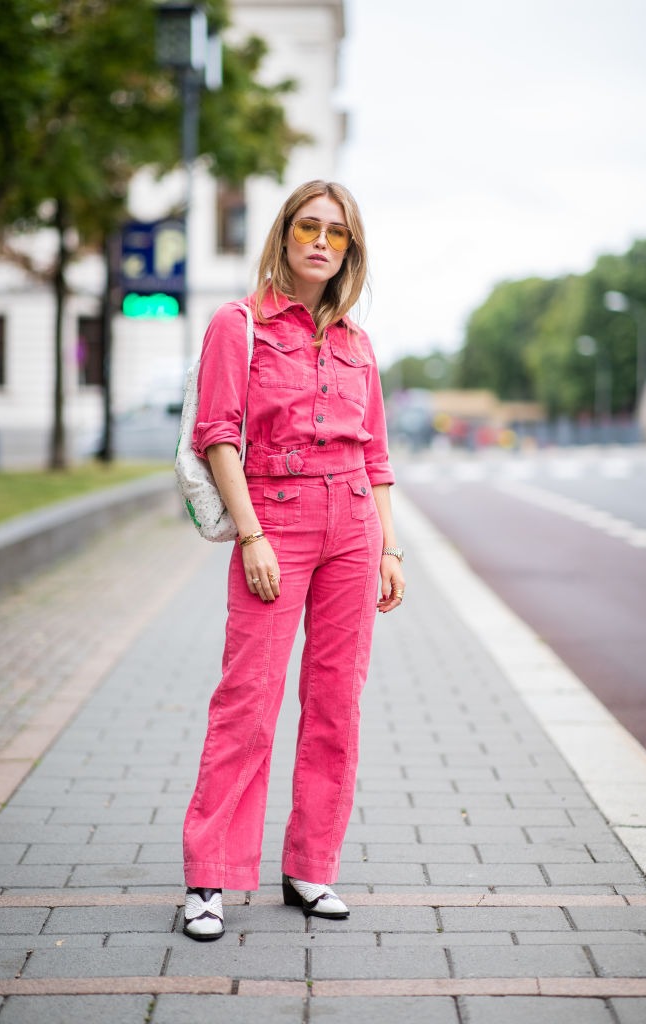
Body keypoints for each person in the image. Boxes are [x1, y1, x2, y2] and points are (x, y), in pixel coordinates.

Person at [181, 180, 405, 941]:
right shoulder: (236, 325)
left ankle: (310, 865)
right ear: (282, 237)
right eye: (307, 227)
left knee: (336, 702)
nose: (319, 241)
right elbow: (217, 436)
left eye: (335, 233)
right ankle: (209, 878)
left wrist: (390, 547)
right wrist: (250, 537)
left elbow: (374, 453)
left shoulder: (357, 342)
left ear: (349, 250)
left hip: (351, 526)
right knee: (247, 700)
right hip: (273, 520)